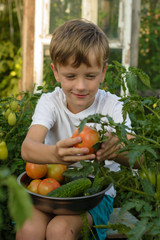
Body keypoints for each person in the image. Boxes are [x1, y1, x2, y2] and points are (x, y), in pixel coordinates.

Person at [16, 19, 140, 240]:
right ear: (55, 72)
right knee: (28, 228)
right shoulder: (50, 102)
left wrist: (118, 149)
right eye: (71, 76)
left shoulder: (113, 106)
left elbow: (138, 158)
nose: (81, 86)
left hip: (95, 198)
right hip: (52, 190)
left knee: (60, 230)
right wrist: (56, 155)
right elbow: (28, 148)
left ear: (103, 72)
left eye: (90, 76)